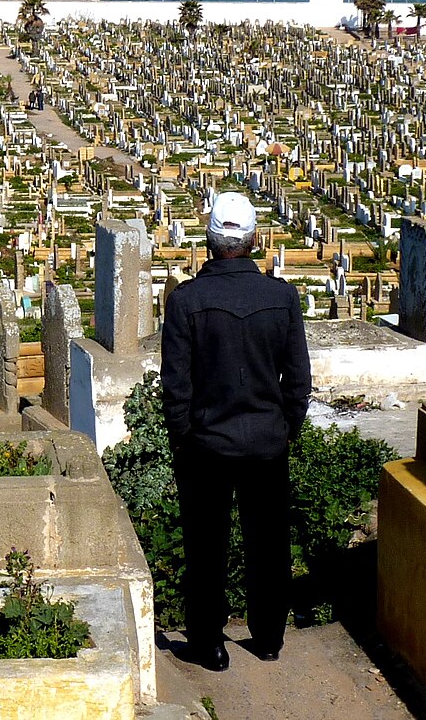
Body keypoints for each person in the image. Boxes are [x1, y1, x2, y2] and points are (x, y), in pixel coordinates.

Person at [161, 190, 311, 672]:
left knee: (207, 547)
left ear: (208, 240)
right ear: (252, 240)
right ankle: (268, 638)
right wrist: (285, 429)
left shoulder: (187, 301)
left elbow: (176, 384)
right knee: (268, 543)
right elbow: (299, 379)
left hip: (206, 444)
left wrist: (183, 436)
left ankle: (209, 644)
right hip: (267, 441)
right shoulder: (281, 296)